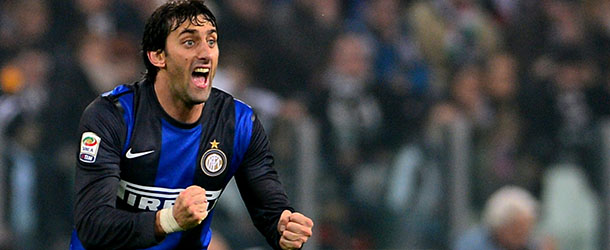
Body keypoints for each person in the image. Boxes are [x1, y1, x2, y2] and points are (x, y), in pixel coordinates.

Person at [69, 1, 314, 249]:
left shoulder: (238, 123)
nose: (206, 53)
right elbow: (92, 224)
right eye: (189, 42)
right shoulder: (113, 116)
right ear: (157, 55)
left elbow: (271, 213)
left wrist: (285, 229)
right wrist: (168, 219)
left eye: (211, 41)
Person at [454, 186, 554, 250]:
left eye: (527, 231)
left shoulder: (531, 244)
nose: (523, 239)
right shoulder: (472, 245)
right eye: (517, 231)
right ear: (498, 226)